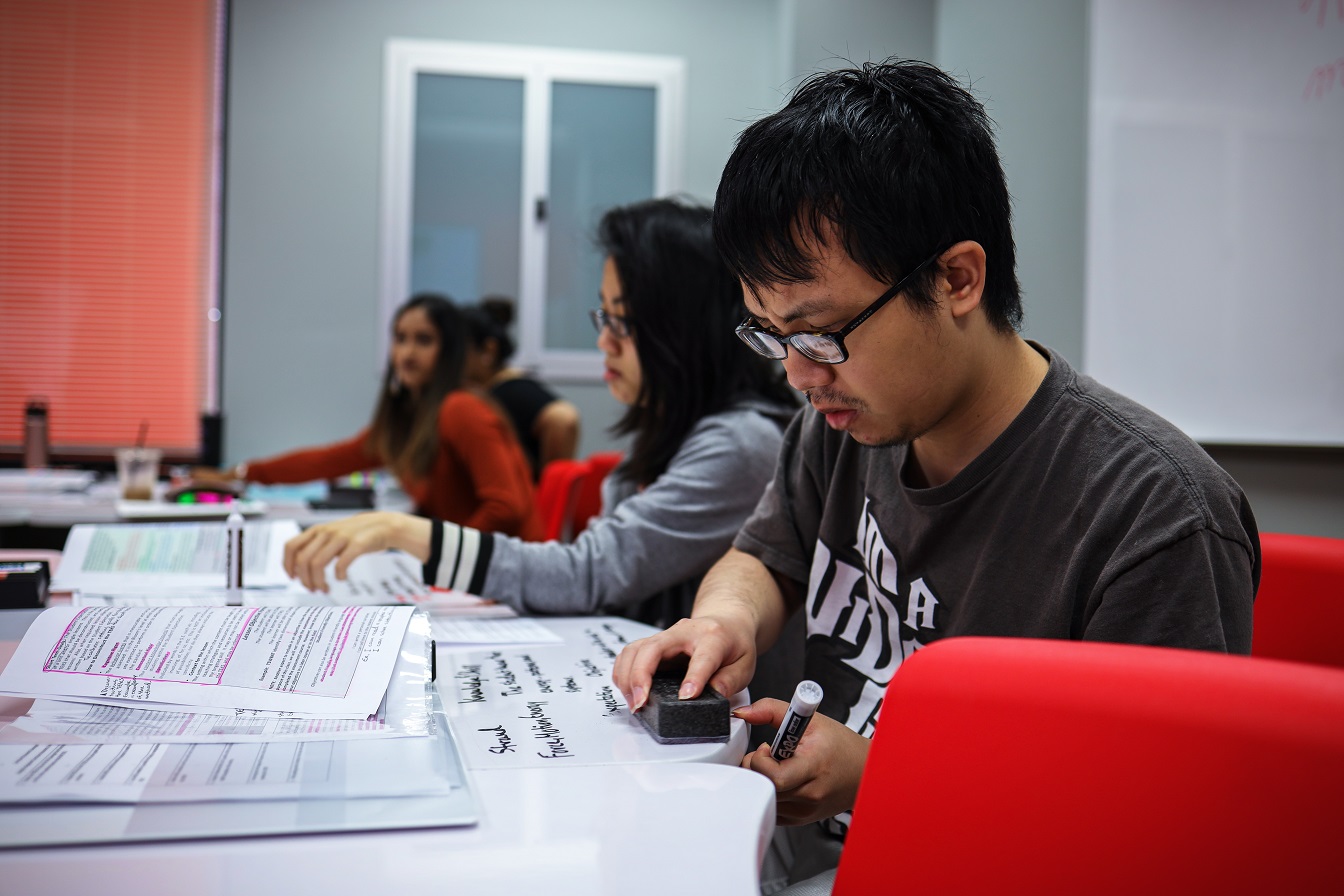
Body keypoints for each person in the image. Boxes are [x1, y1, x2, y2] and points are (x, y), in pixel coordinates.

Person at [611, 59, 1260, 887]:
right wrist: (725, 624)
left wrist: (882, 775)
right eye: (770, 337)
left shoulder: (1153, 512)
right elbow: (765, 557)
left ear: (957, 278)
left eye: (818, 333)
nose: (799, 377)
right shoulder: (842, 422)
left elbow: (1157, 831)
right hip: (791, 857)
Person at [283, 198, 800, 627]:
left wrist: (404, 532)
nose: (602, 341)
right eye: (604, 316)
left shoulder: (740, 443)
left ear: (681, 329)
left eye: (620, 322)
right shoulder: (668, 433)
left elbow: (588, 573)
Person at [197, 293, 542, 539]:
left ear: (449, 350)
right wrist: (241, 474)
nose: (407, 352)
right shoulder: (408, 419)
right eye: (400, 338)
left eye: (424, 340)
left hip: (506, 581)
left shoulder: (462, 409)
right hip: (466, 573)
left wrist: (440, 556)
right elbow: (328, 461)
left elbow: (506, 508)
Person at [463, 296, 581, 480]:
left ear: (488, 350)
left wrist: (549, 483)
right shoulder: (494, 389)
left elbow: (564, 418)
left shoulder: (510, 390)